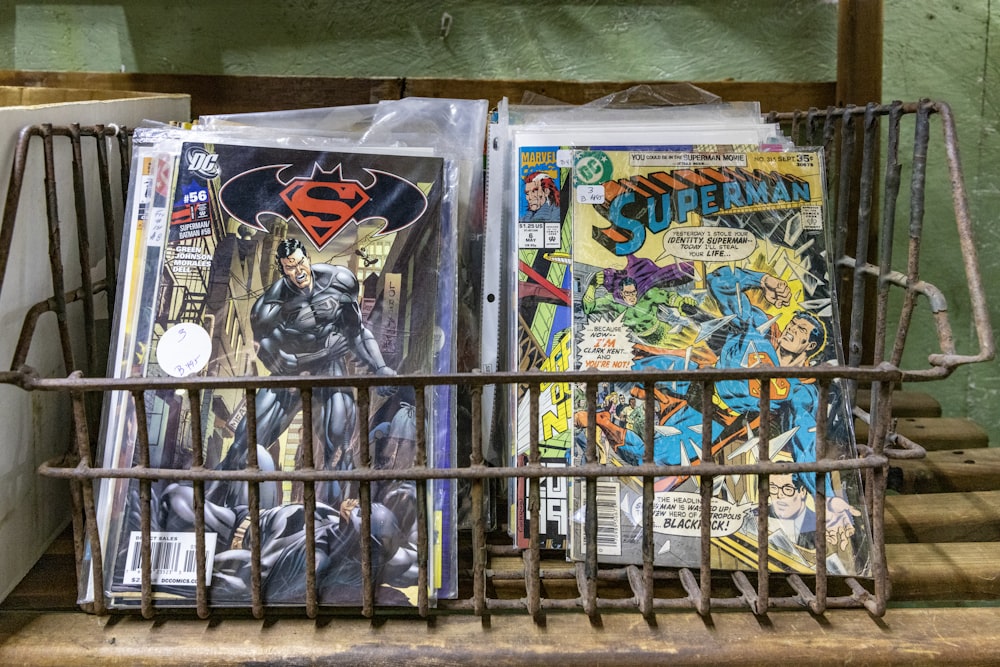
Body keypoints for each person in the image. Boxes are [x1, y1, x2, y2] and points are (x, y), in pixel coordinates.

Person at [208, 238, 395, 509]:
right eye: (290, 266)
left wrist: (380, 367)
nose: (298, 271)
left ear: (307, 257)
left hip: (330, 373)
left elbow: (357, 333)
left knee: (339, 448)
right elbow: (275, 359)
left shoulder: (339, 281)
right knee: (244, 442)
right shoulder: (268, 307)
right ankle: (208, 507)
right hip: (291, 377)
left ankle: (335, 521)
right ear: (282, 269)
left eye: (300, 262)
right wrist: (321, 354)